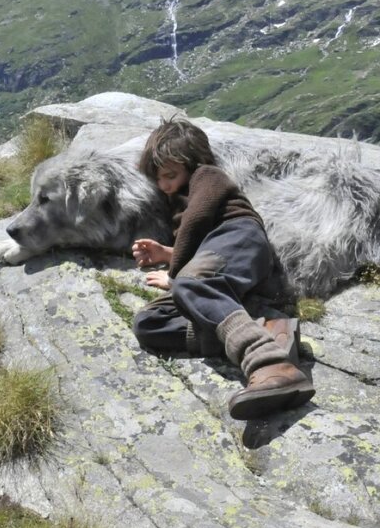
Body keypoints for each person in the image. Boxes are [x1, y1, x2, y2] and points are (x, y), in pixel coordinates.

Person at [130, 118, 315, 419]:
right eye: (158, 179)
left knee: (189, 286)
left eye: (170, 175)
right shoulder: (178, 195)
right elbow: (204, 251)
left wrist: (175, 276)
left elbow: (197, 221)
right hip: (217, 256)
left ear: (194, 163)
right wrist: (166, 252)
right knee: (150, 323)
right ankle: (268, 331)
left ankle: (268, 364)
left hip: (241, 236)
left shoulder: (208, 175)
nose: (164, 185)